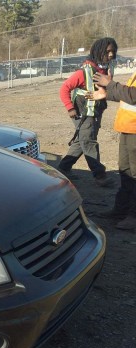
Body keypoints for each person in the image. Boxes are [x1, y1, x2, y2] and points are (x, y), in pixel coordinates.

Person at [57, 37, 118, 187]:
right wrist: (70, 108)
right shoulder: (84, 71)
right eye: (108, 51)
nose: (111, 55)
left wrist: (109, 81)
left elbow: (105, 91)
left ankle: (63, 168)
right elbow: (64, 88)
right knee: (88, 141)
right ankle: (100, 176)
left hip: (95, 111)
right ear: (99, 51)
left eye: (113, 51)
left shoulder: (105, 70)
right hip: (82, 112)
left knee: (81, 140)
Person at [88, 70, 136, 230]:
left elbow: (133, 96)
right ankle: (121, 210)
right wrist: (106, 94)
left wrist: (109, 84)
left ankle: (133, 216)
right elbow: (127, 95)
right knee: (126, 171)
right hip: (128, 128)